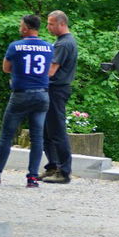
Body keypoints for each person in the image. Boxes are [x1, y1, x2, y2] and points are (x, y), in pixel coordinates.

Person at [0, 14, 53, 187]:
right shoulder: (49, 47)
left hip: (21, 95)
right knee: (37, 138)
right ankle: (32, 177)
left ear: (26, 28)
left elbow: (6, 68)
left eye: (20, 25)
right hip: (42, 95)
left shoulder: (16, 46)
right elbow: (49, 70)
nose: (19, 28)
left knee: (6, 136)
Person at [41, 10, 78, 184]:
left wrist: (31, 77)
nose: (48, 27)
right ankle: (53, 166)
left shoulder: (63, 44)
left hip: (56, 90)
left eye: (51, 24)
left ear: (62, 24)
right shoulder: (63, 42)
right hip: (54, 90)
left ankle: (64, 172)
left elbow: (50, 71)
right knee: (46, 132)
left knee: (57, 132)